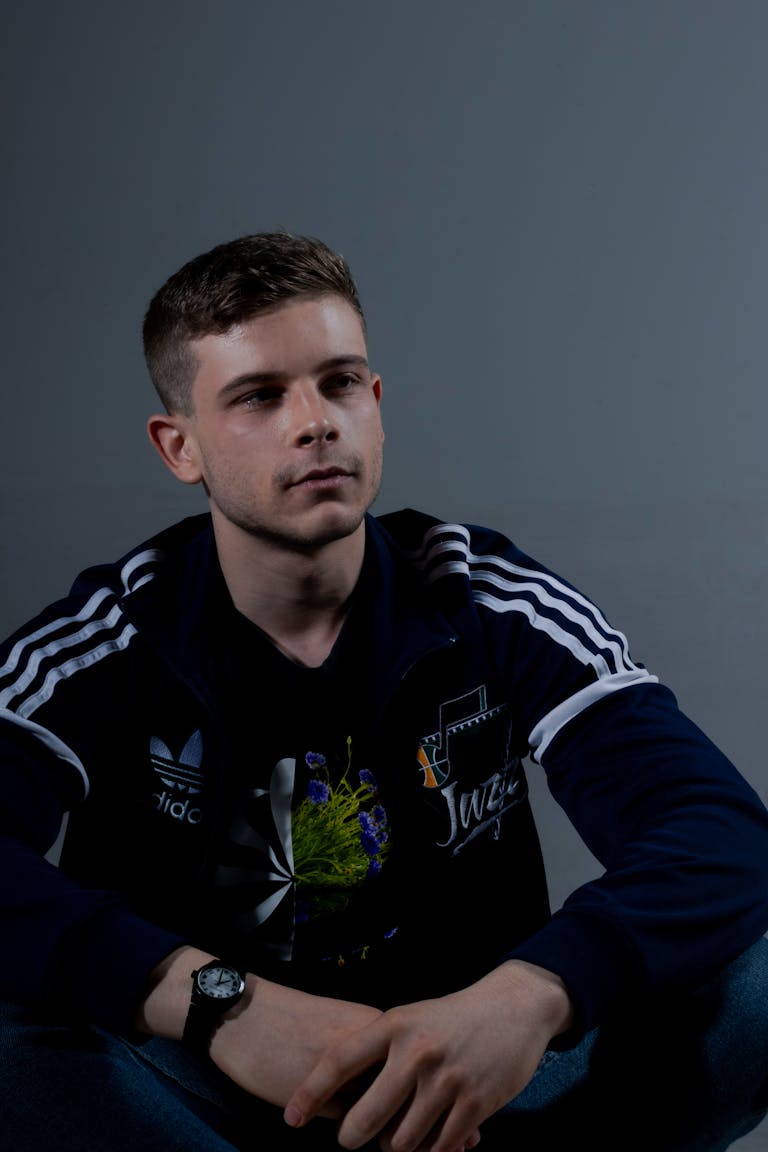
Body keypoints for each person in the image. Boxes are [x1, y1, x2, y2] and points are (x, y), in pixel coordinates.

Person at [0, 232, 767, 1152]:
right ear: (181, 448)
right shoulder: (116, 633)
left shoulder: (484, 596)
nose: (315, 421)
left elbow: (716, 826)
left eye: (339, 382)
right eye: (258, 397)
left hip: (477, 1090)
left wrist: (534, 995)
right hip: (206, 1099)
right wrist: (217, 1003)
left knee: (756, 977)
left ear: (376, 404)